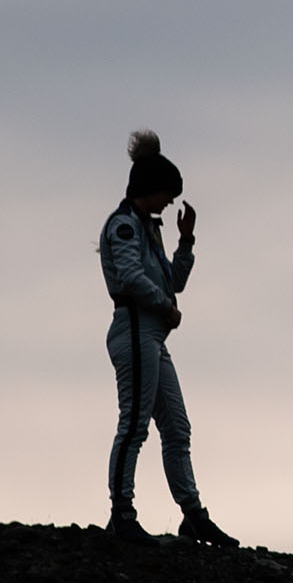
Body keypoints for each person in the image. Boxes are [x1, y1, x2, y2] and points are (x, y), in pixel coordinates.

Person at [100, 129, 239, 547]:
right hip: (137, 331)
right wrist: (164, 305)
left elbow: (173, 280)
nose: (170, 202)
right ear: (152, 188)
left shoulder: (148, 230)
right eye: (167, 194)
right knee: (135, 425)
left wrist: (186, 241)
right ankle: (121, 512)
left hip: (152, 337)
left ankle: (192, 514)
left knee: (176, 428)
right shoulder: (124, 226)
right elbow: (130, 278)